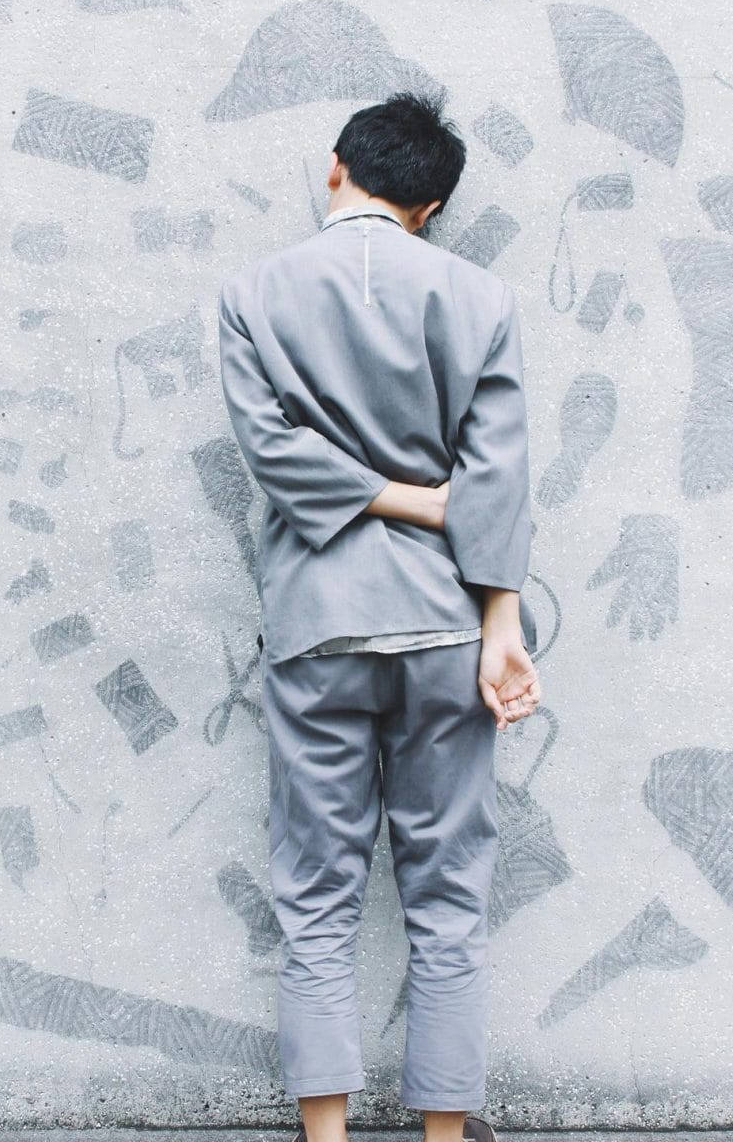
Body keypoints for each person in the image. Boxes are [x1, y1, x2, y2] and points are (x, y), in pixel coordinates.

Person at [216, 90, 539, 1142]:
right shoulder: (479, 299)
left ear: (332, 169)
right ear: (431, 203)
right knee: (446, 897)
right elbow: (497, 483)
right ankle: (442, 1141)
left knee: (315, 894)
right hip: (446, 625)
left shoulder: (253, 294)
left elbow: (272, 457)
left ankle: (326, 1139)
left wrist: (381, 494)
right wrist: (500, 628)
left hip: (314, 623)